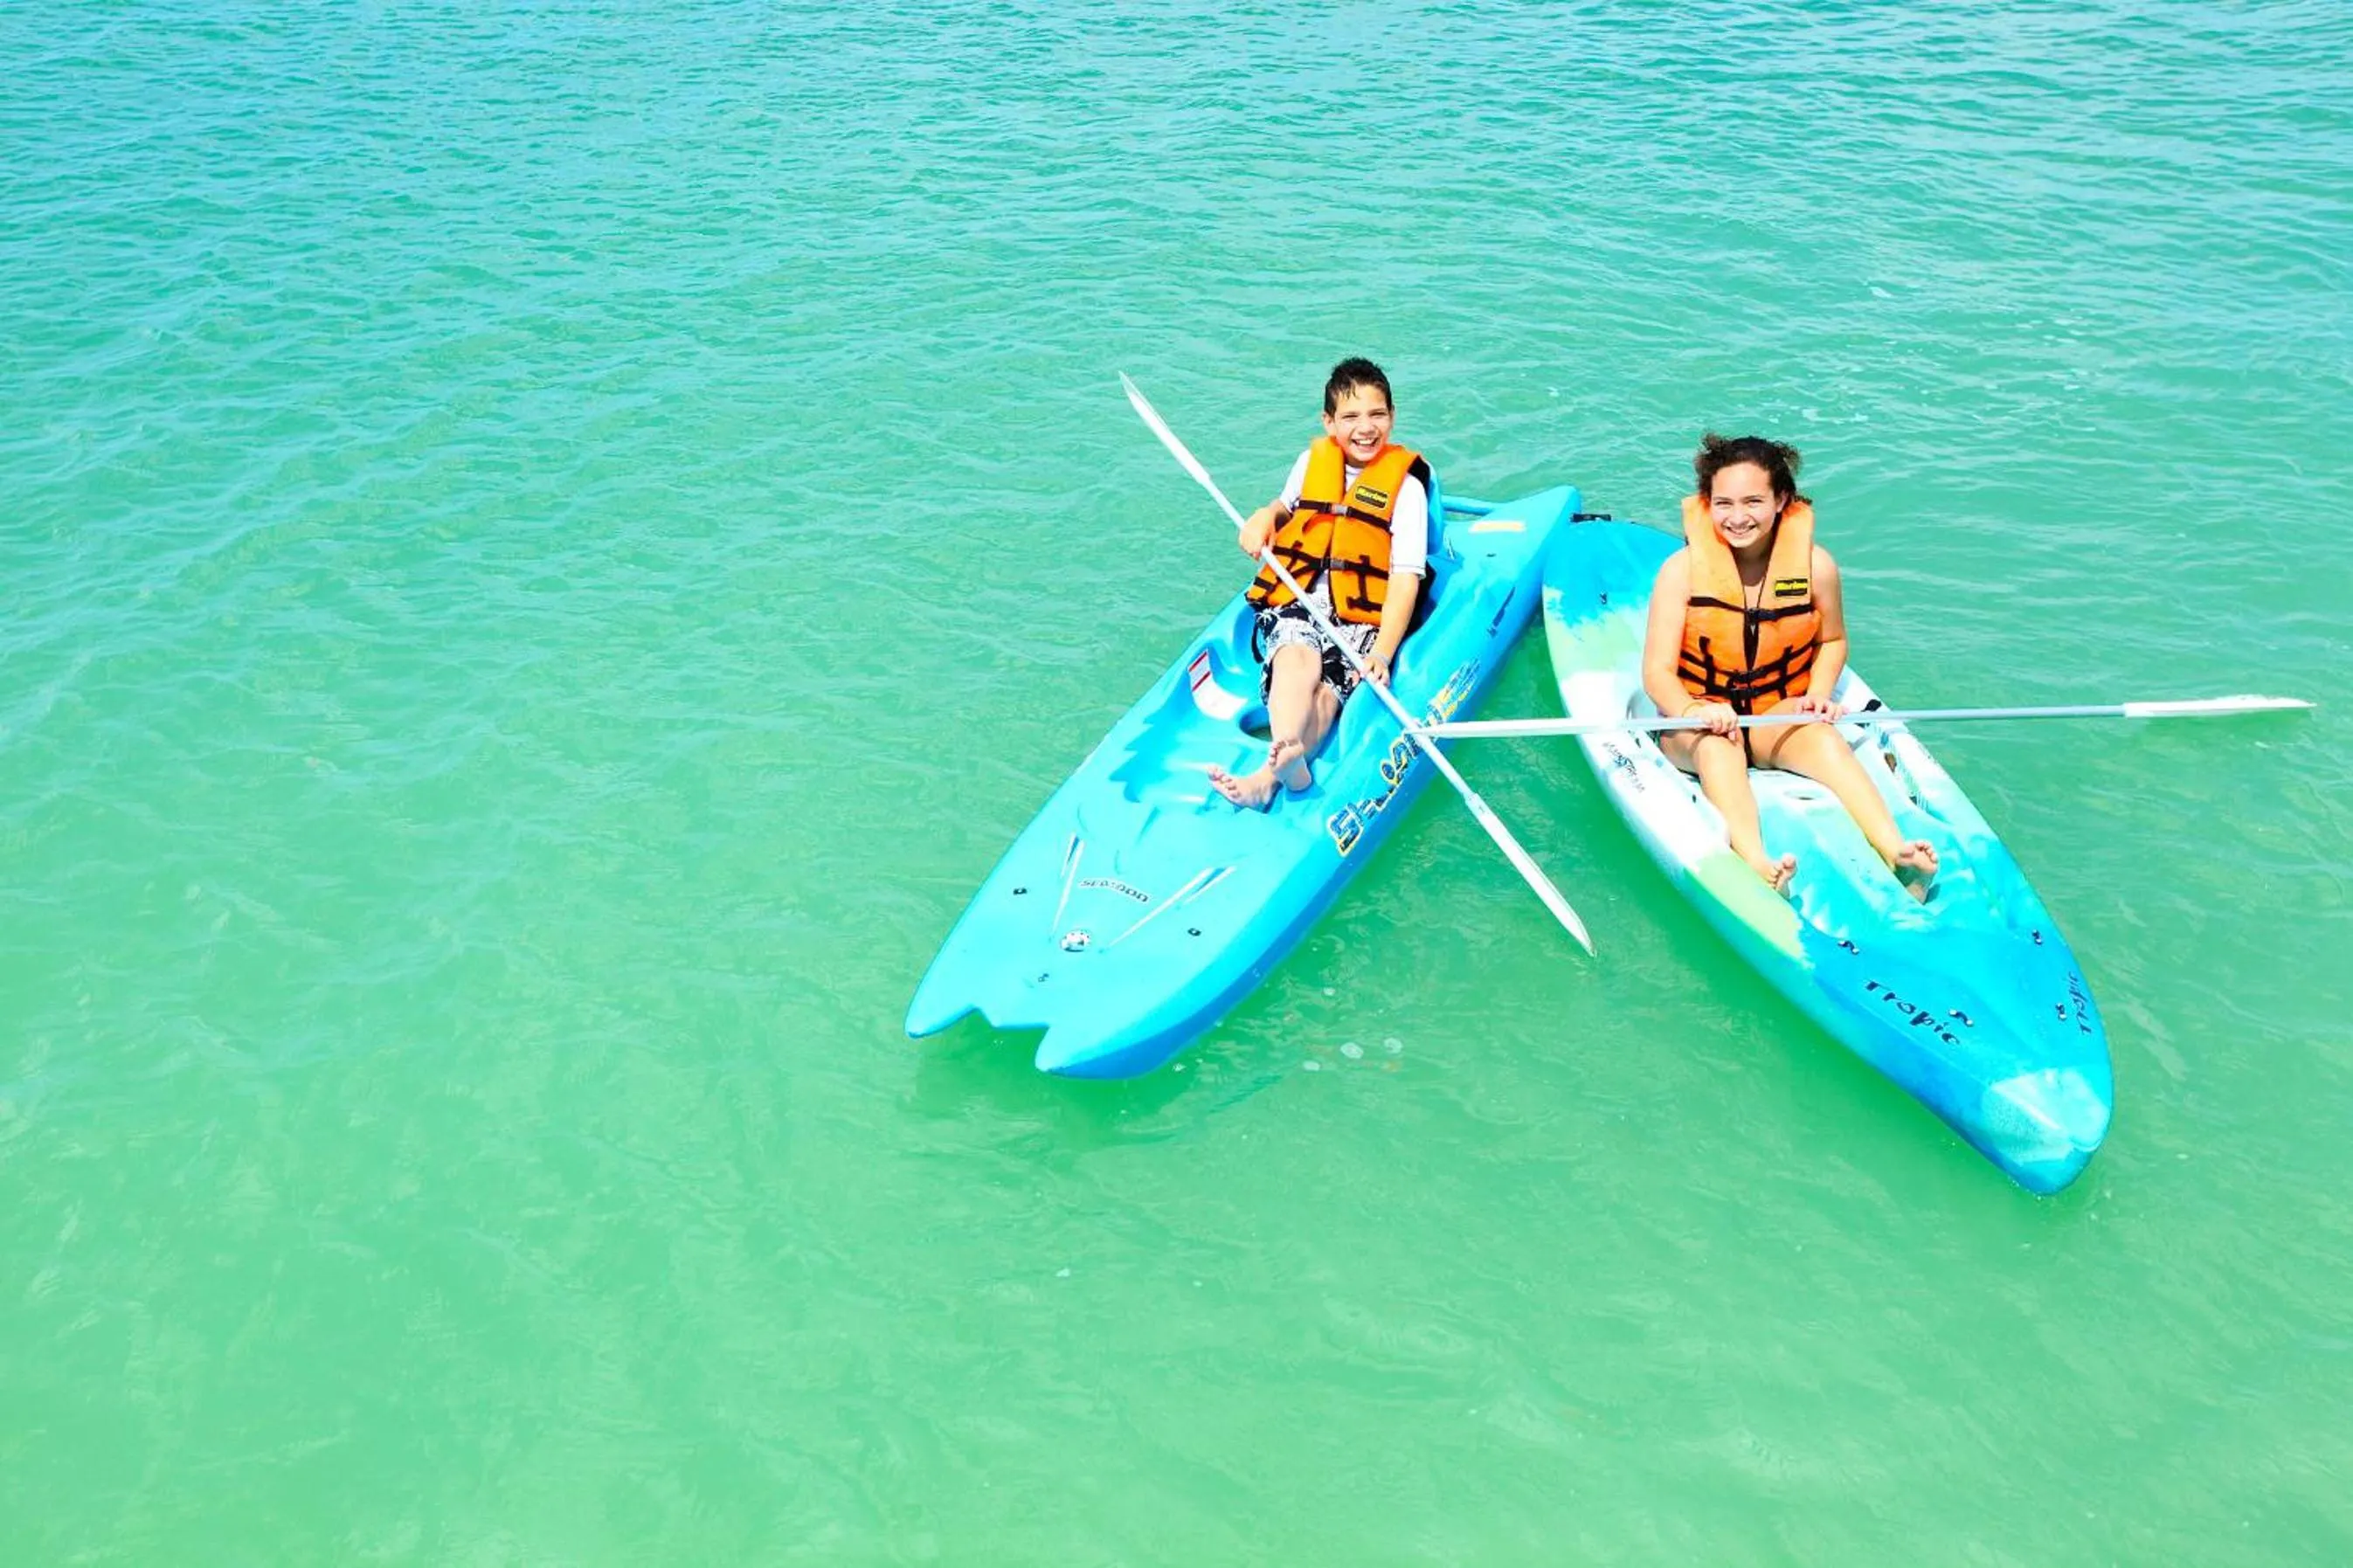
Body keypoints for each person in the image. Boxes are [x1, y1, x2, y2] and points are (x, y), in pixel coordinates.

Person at [1640, 433, 1939, 899]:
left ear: (1782, 499)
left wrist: (1818, 691)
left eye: (1753, 501)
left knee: (1820, 738)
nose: (1738, 517)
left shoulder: (1816, 567)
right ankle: (1755, 860)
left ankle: (1895, 851)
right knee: (1718, 748)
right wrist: (1694, 709)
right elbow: (1657, 672)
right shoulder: (1681, 572)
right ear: (1707, 503)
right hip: (1694, 727)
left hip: (1773, 714)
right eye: (1723, 503)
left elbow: (1833, 641)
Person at [1208, 358, 1432, 809]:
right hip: (1302, 596)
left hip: (1361, 618)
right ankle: (1288, 750)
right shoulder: (1312, 461)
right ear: (1329, 423)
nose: (1365, 428)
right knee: (1295, 660)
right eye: (1351, 417)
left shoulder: (1406, 491)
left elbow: (1407, 578)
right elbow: (1286, 507)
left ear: (1392, 416)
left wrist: (1382, 652)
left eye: (1377, 415)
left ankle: (1267, 777)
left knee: (1329, 695)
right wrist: (1264, 517)